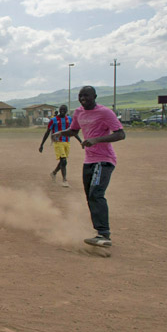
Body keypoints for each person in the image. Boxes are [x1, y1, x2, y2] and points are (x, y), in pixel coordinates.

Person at [52, 86, 125, 248]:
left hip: (104, 160)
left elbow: (120, 134)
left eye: (86, 95)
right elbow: (74, 130)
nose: (83, 98)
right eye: (80, 96)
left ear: (95, 97)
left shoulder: (105, 112)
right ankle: (100, 233)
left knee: (96, 193)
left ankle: (104, 234)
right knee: (90, 196)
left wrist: (96, 140)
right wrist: (60, 133)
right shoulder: (78, 112)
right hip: (89, 160)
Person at [39, 105, 83, 187]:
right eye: (61, 109)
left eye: (64, 109)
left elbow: (73, 132)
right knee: (63, 161)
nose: (62, 111)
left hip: (67, 142)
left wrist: (80, 141)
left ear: (66, 111)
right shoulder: (53, 120)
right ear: (59, 110)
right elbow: (47, 132)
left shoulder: (69, 119)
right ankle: (64, 180)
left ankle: (54, 173)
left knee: (63, 161)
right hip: (58, 142)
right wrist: (42, 144)